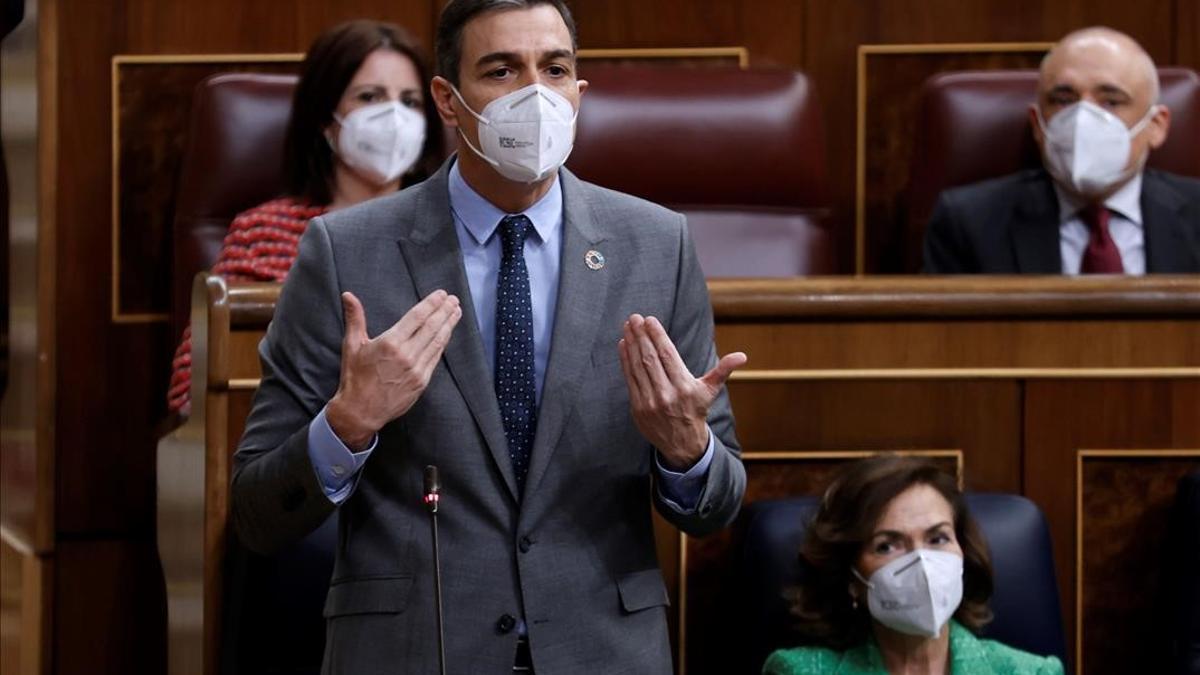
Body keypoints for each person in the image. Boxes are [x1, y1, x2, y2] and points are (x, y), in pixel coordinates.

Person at [229, 1, 747, 673]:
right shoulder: (345, 251)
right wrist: (346, 425)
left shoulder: (655, 244)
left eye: (554, 69)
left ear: (578, 91)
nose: (534, 94)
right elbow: (257, 512)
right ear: (447, 100)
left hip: (601, 650)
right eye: (501, 70)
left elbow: (720, 503)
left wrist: (688, 453)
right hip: (414, 650)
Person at [166, 19, 443, 415]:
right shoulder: (263, 233)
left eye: (410, 102)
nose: (394, 119)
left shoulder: (449, 227)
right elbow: (189, 391)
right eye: (369, 97)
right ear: (325, 118)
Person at [922, 27, 1200, 274]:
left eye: (1111, 102)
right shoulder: (968, 223)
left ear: (1156, 126)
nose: (1083, 117)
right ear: (1037, 125)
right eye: (1063, 100)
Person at [763, 456, 1063, 675]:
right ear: (851, 578)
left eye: (937, 538)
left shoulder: (1032, 672)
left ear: (963, 551)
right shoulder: (800, 672)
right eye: (887, 545)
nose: (922, 563)